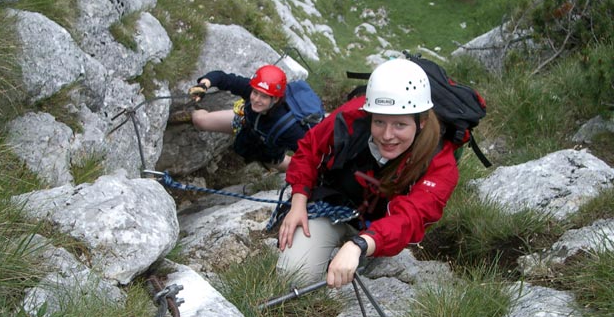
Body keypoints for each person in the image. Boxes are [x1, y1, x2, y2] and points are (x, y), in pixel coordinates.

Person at [276, 58, 460, 289]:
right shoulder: (354, 114)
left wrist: (360, 244)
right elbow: (310, 149)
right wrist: (298, 203)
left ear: (421, 121)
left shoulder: (440, 163)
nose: (387, 135)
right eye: (380, 122)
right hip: (335, 205)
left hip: (381, 227)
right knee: (293, 277)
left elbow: (411, 217)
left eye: (400, 125)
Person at [187, 65, 308, 172]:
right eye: (255, 93)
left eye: (264, 97)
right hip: (245, 122)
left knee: (279, 163)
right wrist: (204, 85)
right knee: (199, 120)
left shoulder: (290, 128)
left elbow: (311, 157)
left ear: (275, 99)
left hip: (270, 144)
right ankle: (188, 113)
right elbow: (222, 77)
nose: (256, 100)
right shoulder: (253, 89)